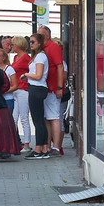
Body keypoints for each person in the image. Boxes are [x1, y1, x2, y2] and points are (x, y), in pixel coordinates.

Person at [37, 25, 65, 156]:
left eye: (40, 35)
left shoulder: (53, 47)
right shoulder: (42, 48)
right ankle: (47, 145)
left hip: (52, 87)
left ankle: (56, 146)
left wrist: (59, 87)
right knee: (46, 118)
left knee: (54, 116)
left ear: (47, 36)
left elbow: (59, 67)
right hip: (45, 87)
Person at [23, 33, 51, 159]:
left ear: (40, 43)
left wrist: (26, 75)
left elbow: (38, 75)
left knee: (37, 120)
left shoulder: (40, 57)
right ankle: (44, 148)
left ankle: (38, 149)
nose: (31, 44)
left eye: (33, 42)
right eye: (30, 42)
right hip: (38, 88)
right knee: (40, 119)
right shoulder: (39, 56)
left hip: (37, 88)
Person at [9, 36, 32, 153]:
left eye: (13, 45)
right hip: (15, 89)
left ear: (17, 45)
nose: (11, 46)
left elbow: (31, 71)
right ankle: (15, 142)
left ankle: (27, 143)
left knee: (23, 117)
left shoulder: (26, 58)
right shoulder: (16, 57)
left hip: (23, 89)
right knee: (13, 118)